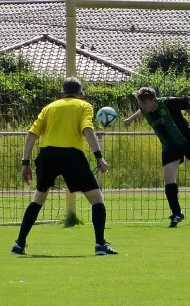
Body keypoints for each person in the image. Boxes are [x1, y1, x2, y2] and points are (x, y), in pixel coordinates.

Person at [11, 77, 117, 256]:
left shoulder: (49, 107)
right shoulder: (84, 106)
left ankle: (19, 244)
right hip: (71, 155)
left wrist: (25, 163)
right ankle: (100, 244)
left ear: (61, 94)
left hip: (47, 154)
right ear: (81, 95)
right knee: (97, 199)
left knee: (38, 199)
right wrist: (99, 157)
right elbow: (87, 130)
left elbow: (31, 135)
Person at [124, 88, 190, 228]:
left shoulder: (168, 103)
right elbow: (141, 111)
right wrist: (130, 119)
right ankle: (177, 213)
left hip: (187, 141)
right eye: (141, 103)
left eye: (144, 103)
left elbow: (189, 100)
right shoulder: (145, 109)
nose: (142, 106)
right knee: (168, 177)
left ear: (153, 100)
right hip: (169, 147)